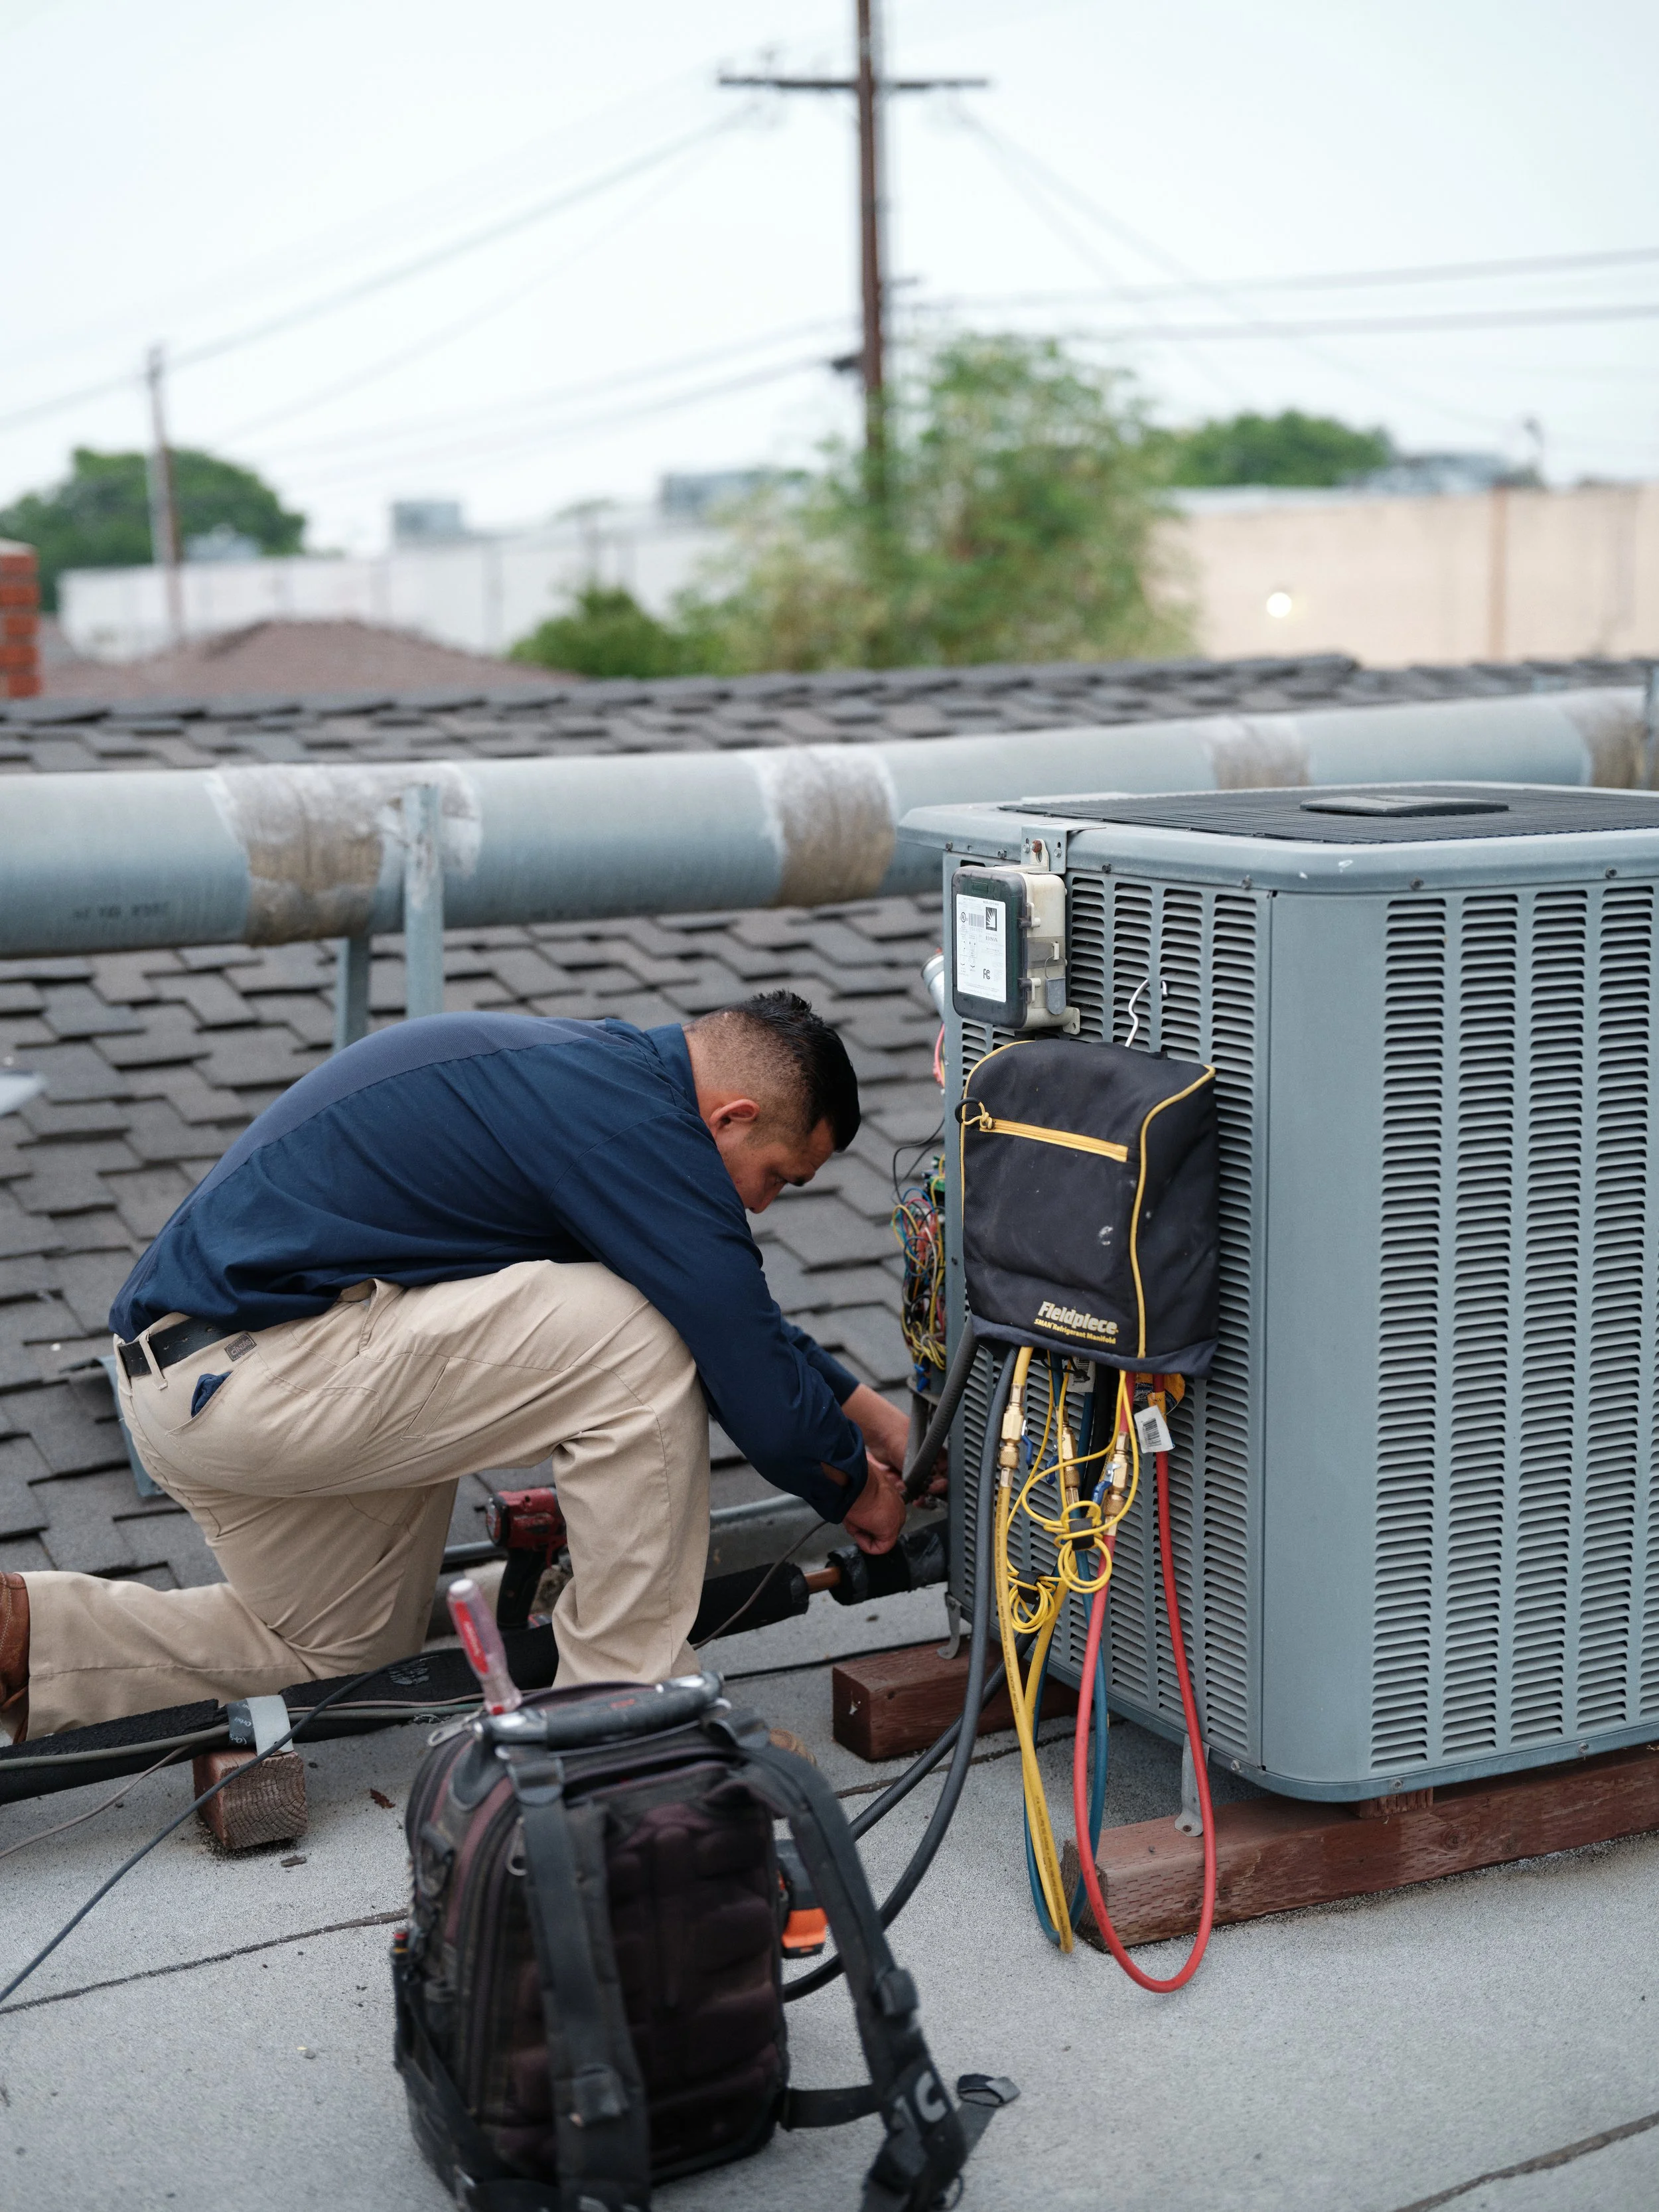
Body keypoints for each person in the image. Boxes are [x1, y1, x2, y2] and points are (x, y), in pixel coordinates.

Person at [0, 993, 913, 1741]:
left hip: (203, 1380)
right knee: (635, 1341)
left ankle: (22, 1641)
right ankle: (628, 1716)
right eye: (780, 1178)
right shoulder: (637, 1127)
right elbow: (743, 1365)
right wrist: (857, 1493)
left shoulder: (609, 1088)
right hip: (259, 1371)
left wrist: (878, 1423)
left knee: (334, 1649)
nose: (767, 1205)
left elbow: (733, 1316)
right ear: (735, 1116)